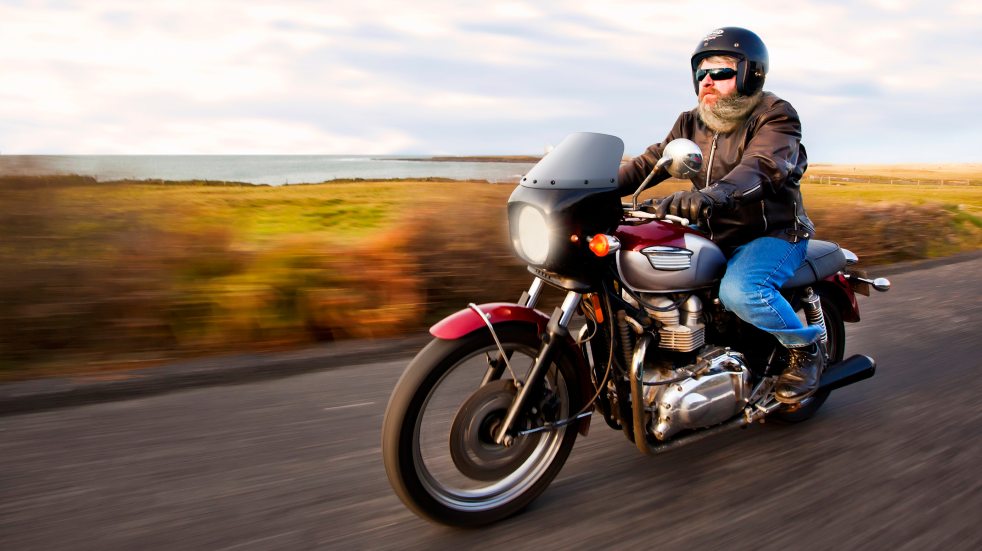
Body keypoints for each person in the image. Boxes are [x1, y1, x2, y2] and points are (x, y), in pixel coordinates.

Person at [617, 27, 823, 405]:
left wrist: (713, 196)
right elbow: (652, 161)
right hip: (712, 232)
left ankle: (805, 350)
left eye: (721, 72)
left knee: (741, 291)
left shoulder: (774, 115)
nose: (707, 81)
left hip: (773, 233)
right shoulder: (690, 122)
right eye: (700, 73)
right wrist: (595, 186)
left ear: (750, 74)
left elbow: (762, 166)